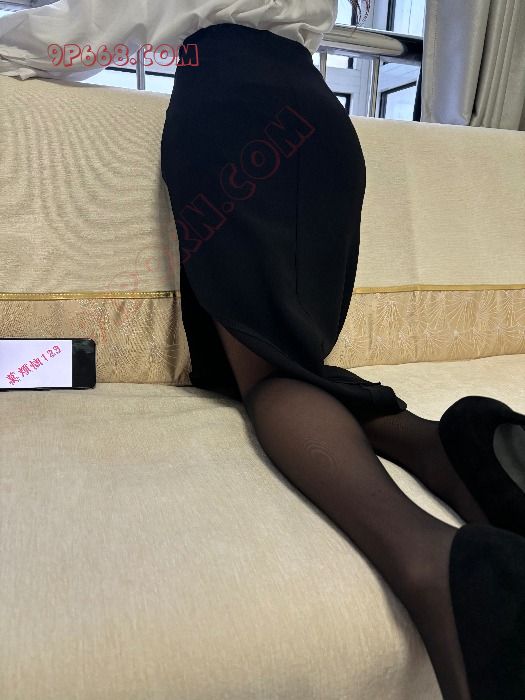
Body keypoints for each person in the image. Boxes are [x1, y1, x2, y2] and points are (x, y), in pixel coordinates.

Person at [2, 2, 524, 698]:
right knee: (275, 357)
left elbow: (112, 19)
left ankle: (431, 564)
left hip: (236, 112)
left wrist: (13, 45)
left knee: (268, 376)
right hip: (317, 118)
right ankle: (454, 446)